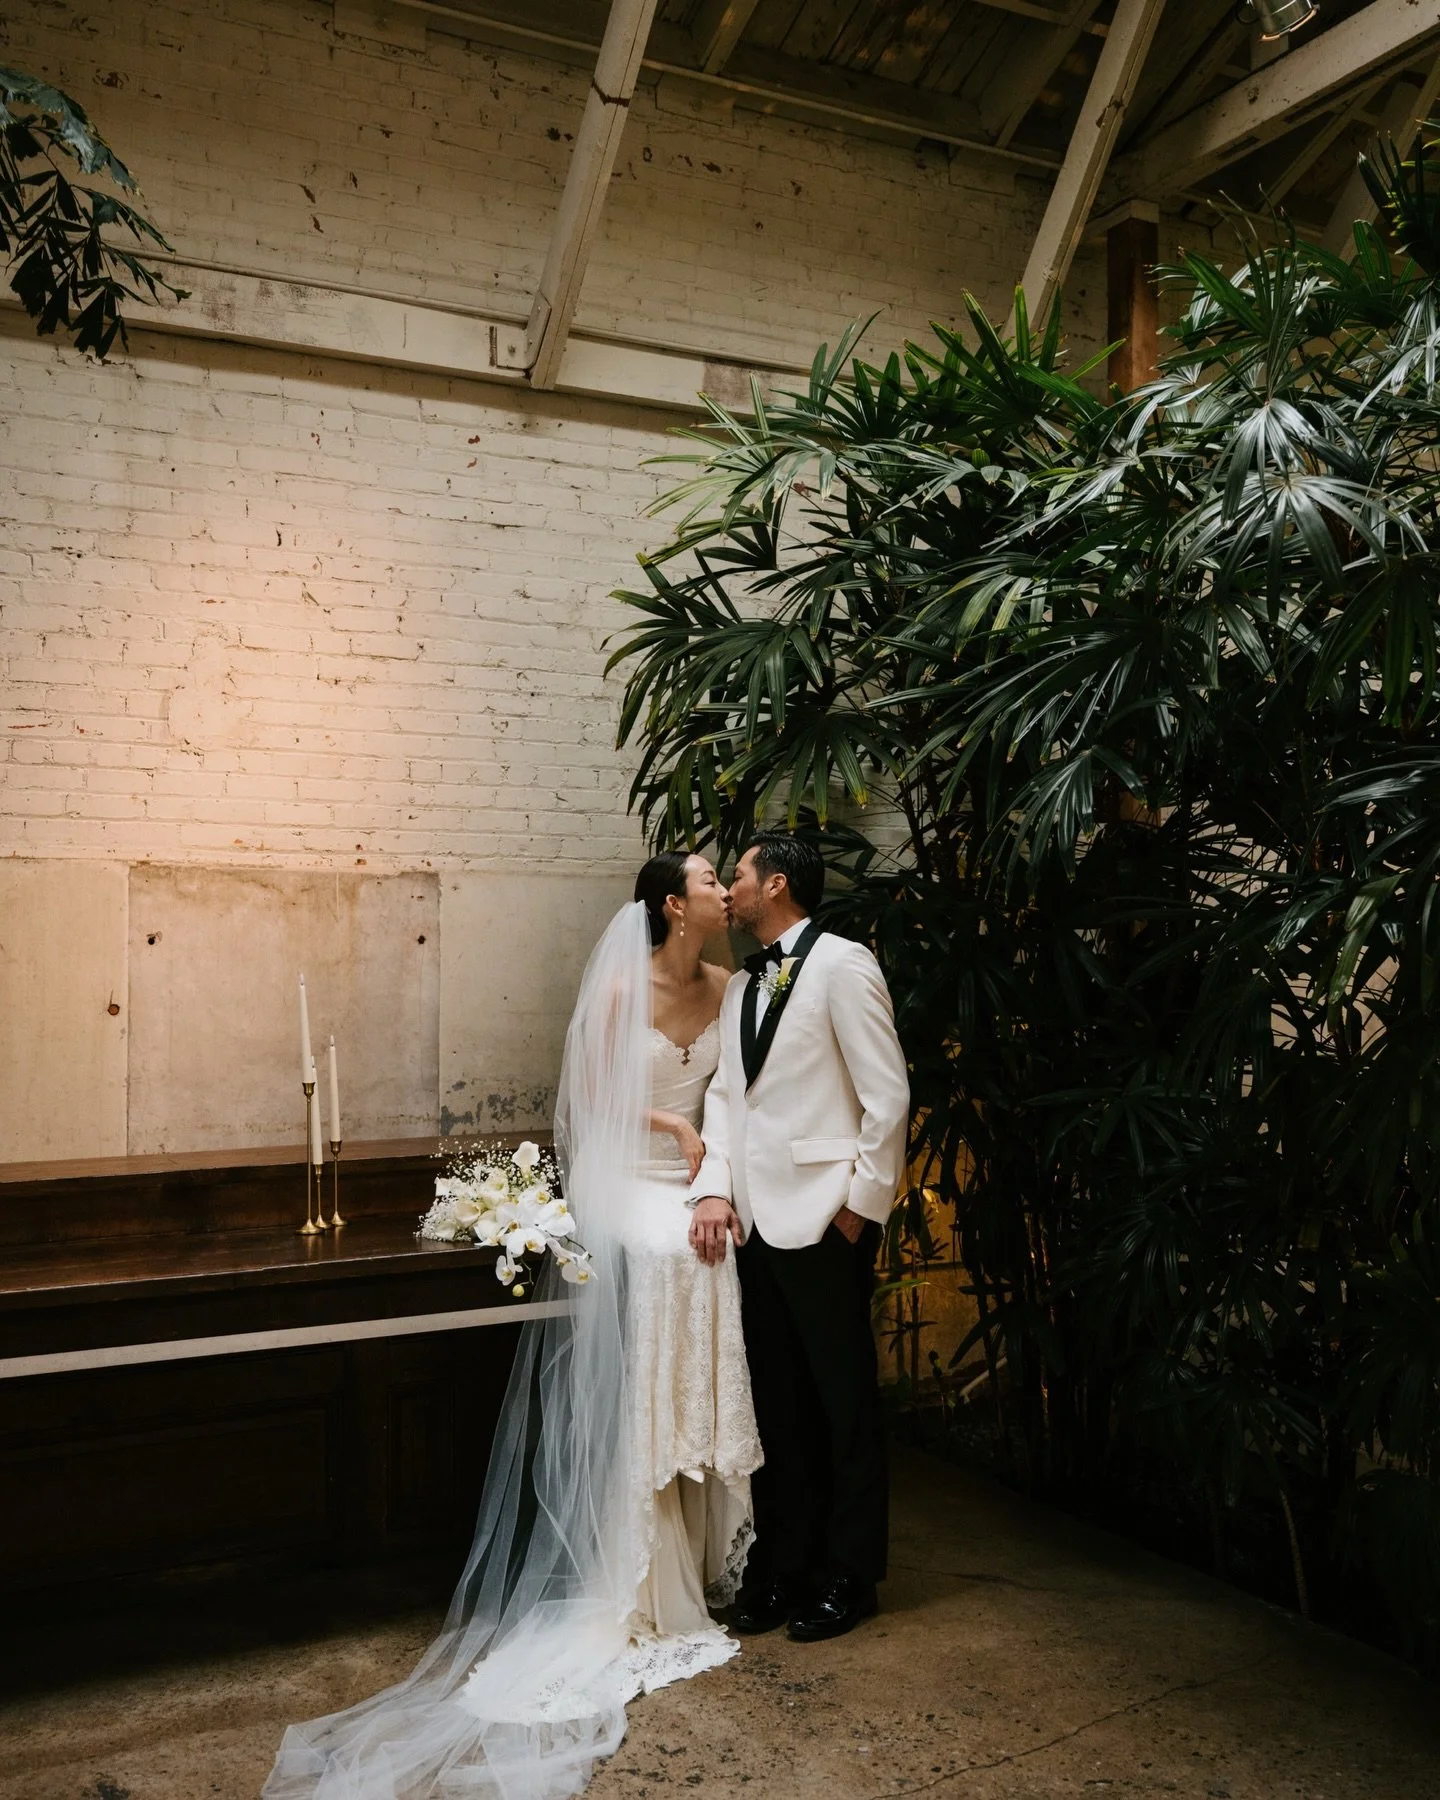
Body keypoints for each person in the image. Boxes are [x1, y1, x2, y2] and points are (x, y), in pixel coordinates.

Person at [263, 854, 760, 1800]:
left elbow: (733, 1102)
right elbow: (588, 1105)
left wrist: (711, 1172)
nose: (721, 889)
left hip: (693, 1183)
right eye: (707, 876)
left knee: (712, 1244)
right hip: (628, 1181)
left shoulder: (729, 985)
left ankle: (700, 1520)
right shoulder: (622, 985)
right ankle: (640, 1554)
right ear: (672, 904)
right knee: (662, 1253)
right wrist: (676, 1132)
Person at [689, 831, 909, 1643]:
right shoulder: (744, 983)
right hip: (753, 1225)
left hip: (824, 1220)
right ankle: (785, 1567)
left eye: (738, 875)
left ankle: (851, 1576)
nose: (731, 890)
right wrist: (716, 1189)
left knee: (841, 1405)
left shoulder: (845, 964)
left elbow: (887, 1094)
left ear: (775, 884)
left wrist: (860, 1206)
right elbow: (726, 1099)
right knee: (777, 1407)